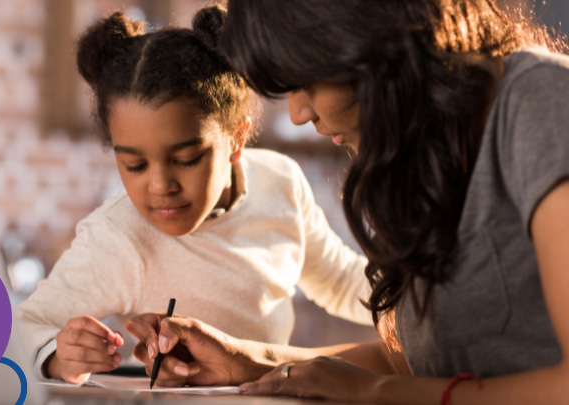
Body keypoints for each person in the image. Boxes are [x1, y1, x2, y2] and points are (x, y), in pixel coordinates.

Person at [125, 0, 569, 402]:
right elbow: (414, 366)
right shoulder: (423, 154)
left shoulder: (541, 102)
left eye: (303, 82)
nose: (300, 114)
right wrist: (248, 362)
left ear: (364, 37)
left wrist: (378, 393)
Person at [15, 5, 373, 385]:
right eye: (135, 166)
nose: (159, 186)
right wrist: (55, 354)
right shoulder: (118, 238)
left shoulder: (279, 181)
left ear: (236, 137)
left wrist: (422, 299)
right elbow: (22, 326)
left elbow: (341, 282)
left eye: (186, 159)